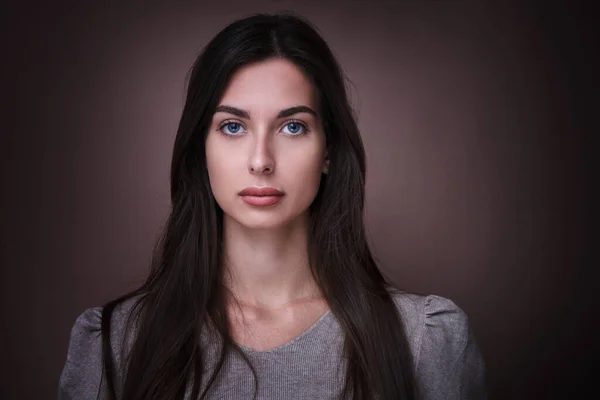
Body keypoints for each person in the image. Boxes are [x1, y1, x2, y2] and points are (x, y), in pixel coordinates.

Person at [58, 12, 486, 400]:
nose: (261, 160)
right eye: (232, 126)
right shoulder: (114, 346)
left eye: (293, 126)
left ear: (329, 151)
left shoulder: (425, 342)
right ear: (199, 148)